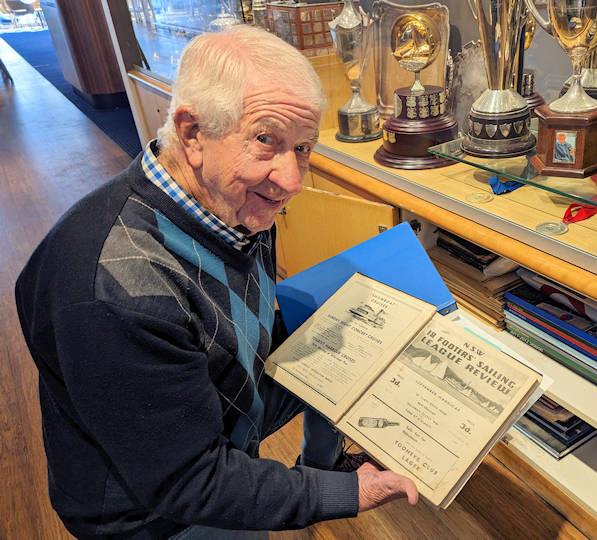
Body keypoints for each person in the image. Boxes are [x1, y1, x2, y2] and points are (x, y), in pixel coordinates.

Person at [15, 25, 417, 540]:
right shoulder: (117, 290)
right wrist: (345, 496)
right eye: (265, 140)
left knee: (345, 323)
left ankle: (324, 461)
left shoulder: (232, 202)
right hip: (156, 516)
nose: (292, 179)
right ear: (191, 133)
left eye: (303, 148)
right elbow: (188, 481)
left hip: (221, 413)